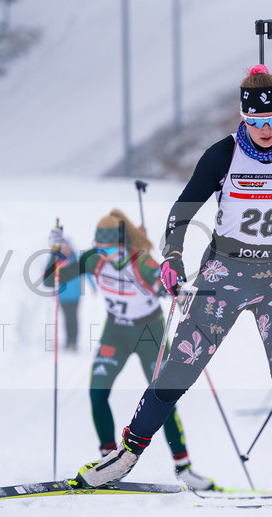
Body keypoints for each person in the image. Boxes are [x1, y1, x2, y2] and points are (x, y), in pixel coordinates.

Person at [72, 64, 272, 505]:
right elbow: (182, 209)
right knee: (177, 370)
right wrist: (172, 256)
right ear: (243, 119)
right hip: (225, 273)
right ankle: (124, 457)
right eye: (256, 122)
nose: (266, 130)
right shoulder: (223, 154)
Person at [45, 210, 215, 490]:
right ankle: (107, 461)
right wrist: (57, 254)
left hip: (150, 332)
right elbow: (52, 280)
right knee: (97, 393)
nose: (104, 253)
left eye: (109, 247)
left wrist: (180, 292)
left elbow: (163, 284)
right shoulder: (92, 259)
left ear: (122, 242)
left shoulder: (141, 262)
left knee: (164, 397)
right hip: (116, 332)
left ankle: (184, 468)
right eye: (100, 247)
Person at [54, 236, 82, 352]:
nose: (66, 249)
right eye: (64, 247)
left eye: (67, 247)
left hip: (75, 295)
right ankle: (68, 341)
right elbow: (50, 275)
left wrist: (94, 286)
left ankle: (74, 341)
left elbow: (86, 270)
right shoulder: (57, 261)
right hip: (63, 295)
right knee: (66, 318)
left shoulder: (76, 260)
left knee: (73, 317)